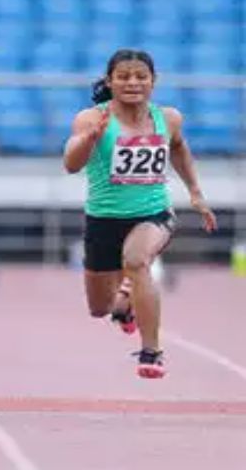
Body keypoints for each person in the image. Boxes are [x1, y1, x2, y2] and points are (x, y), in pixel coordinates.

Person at [63, 48, 216, 379]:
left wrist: (195, 192)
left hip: (153, 213)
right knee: (100, 308)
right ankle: (125, 303)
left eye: (140, 77)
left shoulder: (169, 118)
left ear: (153, 81)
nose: (132, 83)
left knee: (137, 260)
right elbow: (71, 164)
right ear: (110, 81)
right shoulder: (91, 119)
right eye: (123, 77)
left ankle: (151, 352)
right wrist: (89, 139)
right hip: (104, 218)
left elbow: (178, 147)